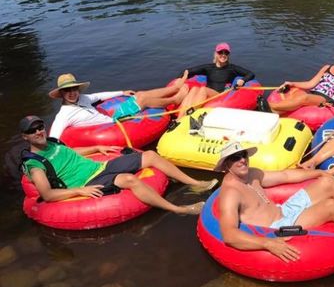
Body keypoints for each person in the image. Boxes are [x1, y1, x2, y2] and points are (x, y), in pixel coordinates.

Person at [20, 115, 218, 215]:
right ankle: (179, 210)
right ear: (25, 137)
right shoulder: (35, 165)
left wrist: (97, 147)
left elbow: (70, 153)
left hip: (99, 167)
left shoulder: (53, 142)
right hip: (88, 180)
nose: (39, 132)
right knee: (128, 180)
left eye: (40, 127)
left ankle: (195, 183)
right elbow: (47, 194)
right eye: (33, 130)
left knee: (149, 155)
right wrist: (80, 190)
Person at [49, 72, 190, 139]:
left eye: (74, 89)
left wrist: (122, 92)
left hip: (113, 118)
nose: (72, 93)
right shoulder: (63, 115)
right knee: (143, 100)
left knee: (139, 94)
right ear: (61, 93)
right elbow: (53, 139)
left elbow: (98, 96)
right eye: (67, 90)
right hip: (115, 124)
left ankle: (173, 89)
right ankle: (175, 100)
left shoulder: (83, 98)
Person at [269, 43, 334, 113]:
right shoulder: (327, 68)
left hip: (327, 100)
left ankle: (270, 107)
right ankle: (277, 112)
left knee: (304, 98)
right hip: (314, 94)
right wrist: (292, 83)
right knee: (296, 94)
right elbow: (311, 83)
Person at [176, 43, 255, 118]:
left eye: (226, 53)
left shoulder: (232, 68)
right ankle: (180, 118)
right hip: (207, 95)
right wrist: (182, 78)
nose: (223, 55)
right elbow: (188, 71)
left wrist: (243, 80)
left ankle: (190, 114)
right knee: (194, 89)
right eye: (220, 52)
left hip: (220, 95)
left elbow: (250, 74)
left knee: (203, 89)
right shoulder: (208, 67)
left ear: (228, 55)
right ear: (216, 54)